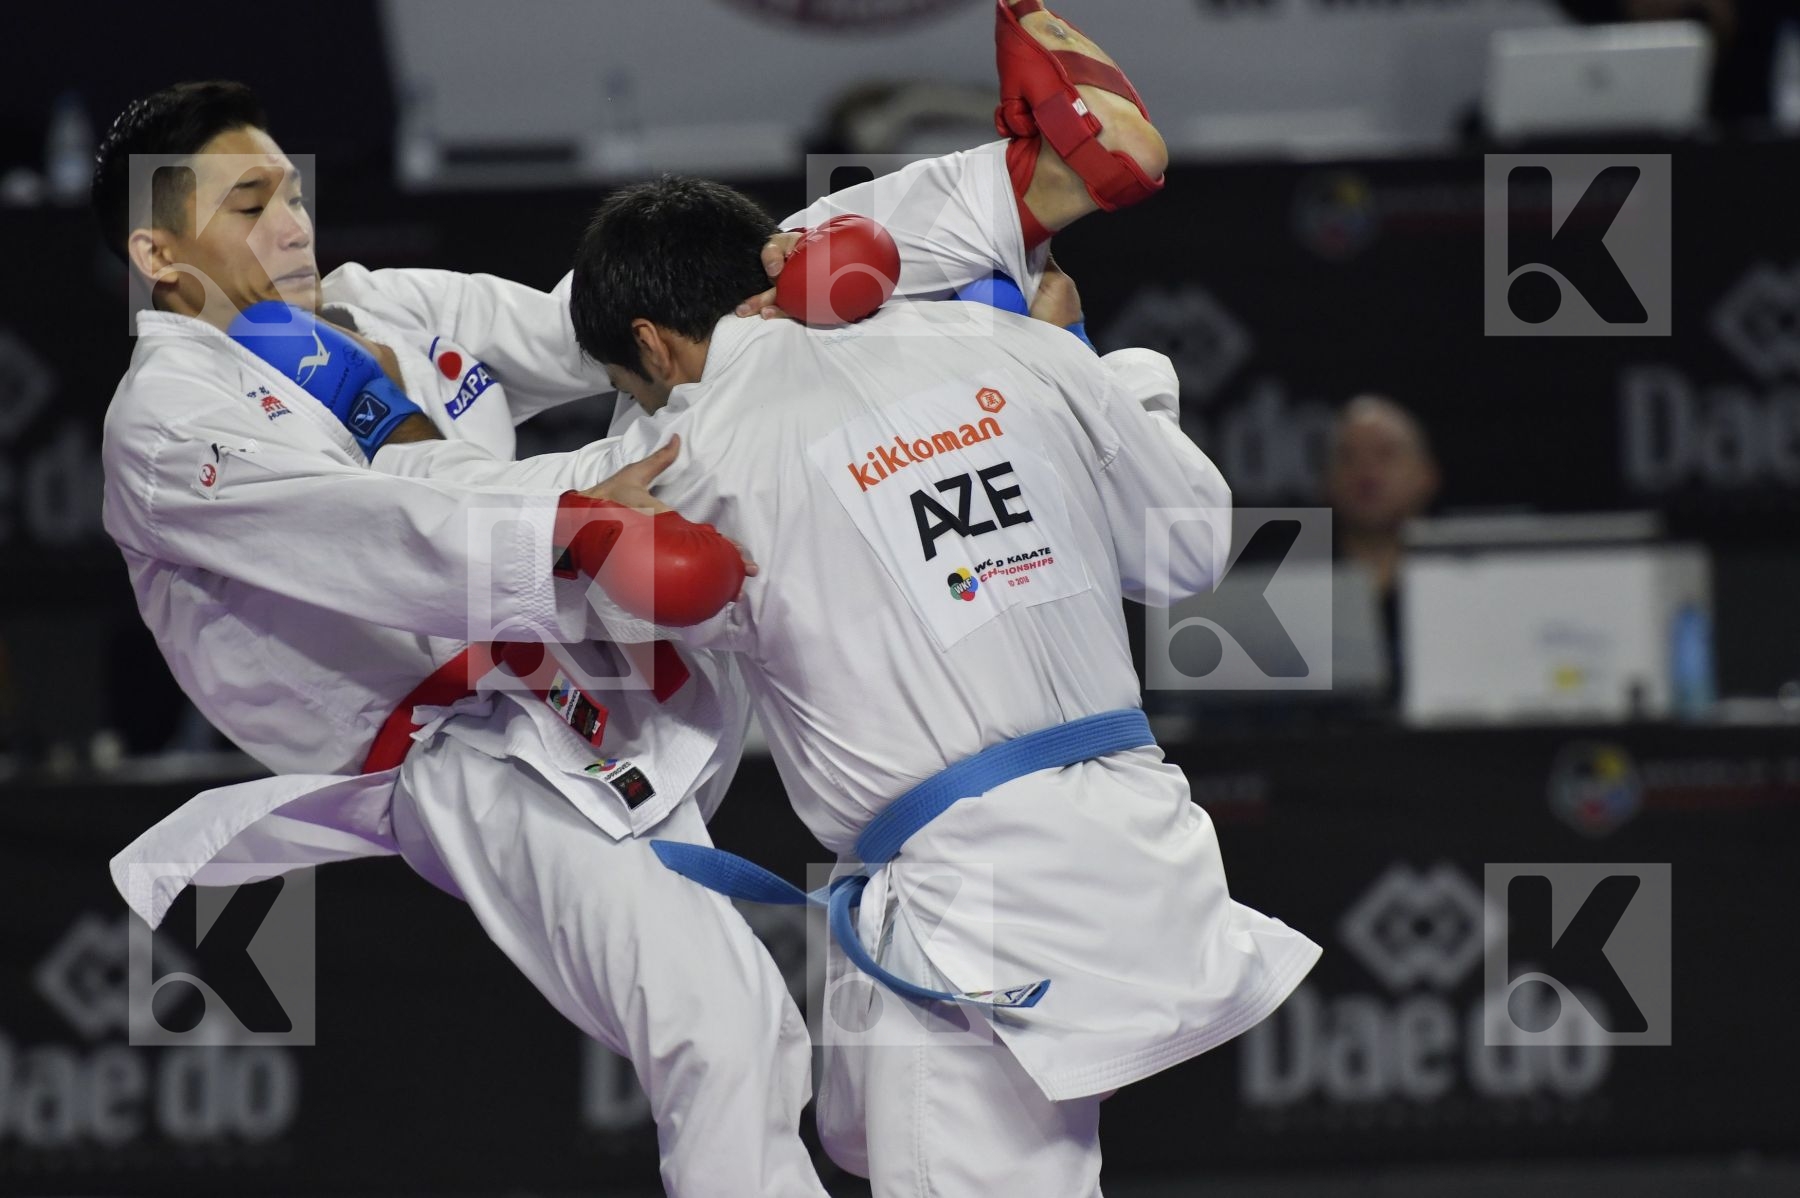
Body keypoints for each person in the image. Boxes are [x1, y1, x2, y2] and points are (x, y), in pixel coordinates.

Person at [94, 80, 823, 1198]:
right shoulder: (169, 423)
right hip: (460, 750)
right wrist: (575, 520)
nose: (292, 225)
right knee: (719, 1030)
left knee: (715, 357)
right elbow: (382, 528)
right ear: (158, 252)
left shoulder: (383, 305)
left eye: (293, 194)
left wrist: (806, 253)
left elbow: (592, 321)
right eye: (249, 205)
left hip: (598, 682)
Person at [561, 170, 1322, 1193]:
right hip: (1133, 834)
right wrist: (1096, 366)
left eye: (635, 384)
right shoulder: (1007, 344)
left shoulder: (689, 450)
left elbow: (561, 586)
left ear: (653, 346)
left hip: (974, 894)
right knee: (862, 1131)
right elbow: (1187, 554)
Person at [1324, 393, 1440, 697]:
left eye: (1385, 454)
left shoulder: (1458, 585)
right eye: (1348, 457)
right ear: (1326, 479)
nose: (1366, 472)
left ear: (1427, 476)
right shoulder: (1287, 584)